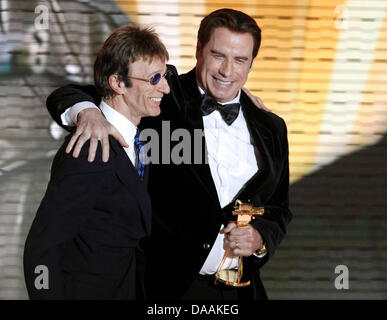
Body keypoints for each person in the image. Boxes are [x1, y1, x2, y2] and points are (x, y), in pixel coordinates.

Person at [45, 8, 292, 300]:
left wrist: (261, 238)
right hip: (164, 289)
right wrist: (86, 112)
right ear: (199, 50)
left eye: (240, 60)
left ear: (252, 63)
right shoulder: (161, 93)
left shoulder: (270, 127)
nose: (227, 71)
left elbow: (278, 209)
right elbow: (76, 91)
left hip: (240, 291)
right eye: (218, 56)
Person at [23, 25, 170, 299]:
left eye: (165, 75)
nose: (166, 87)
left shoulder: (139, 138)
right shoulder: (88, 149)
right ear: (117, 83)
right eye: (154, 79)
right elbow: (42, 249)